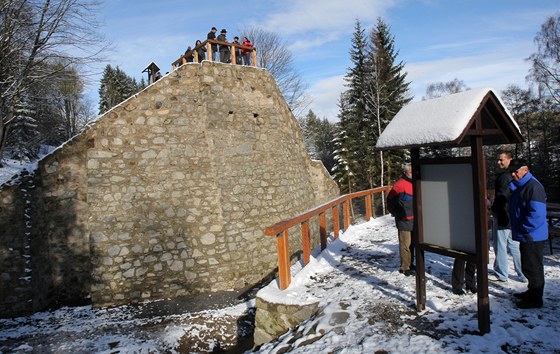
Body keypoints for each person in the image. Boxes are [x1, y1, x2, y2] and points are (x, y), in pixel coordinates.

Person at [508, 158, 548, 309]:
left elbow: (536, 214)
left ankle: (535, 299)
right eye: (511, 172)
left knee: (533, 267)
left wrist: (524, 228)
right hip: (528, 234)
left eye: (516, 172)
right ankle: (532, 292)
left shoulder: (533, 187)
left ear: (526, 170)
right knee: (528, 265)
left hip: (532, 235)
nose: (513, 175)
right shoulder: (522, 185)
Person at [490, 150, 525, 282]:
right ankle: (522, 273)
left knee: (500, 244)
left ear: (510, 159)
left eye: (501, 160)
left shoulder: (505, 176)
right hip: (513, 215)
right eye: (498, 160)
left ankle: (501, 273)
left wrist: (494, 209)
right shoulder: (515, 175)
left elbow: (502, 196)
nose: (499, 162)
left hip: (503, 215)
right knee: (514, 245)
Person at [387, 163, 415, 276]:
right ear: (406, 172)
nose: (412, 174)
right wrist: (397, 213)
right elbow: (390, 202)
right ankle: (405, 267)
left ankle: (410, 263)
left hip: (414, 219)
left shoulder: (414, 183)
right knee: (405, 244)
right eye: (410, 172)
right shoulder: (399, 185)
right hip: (404, 220)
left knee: (412, 244)